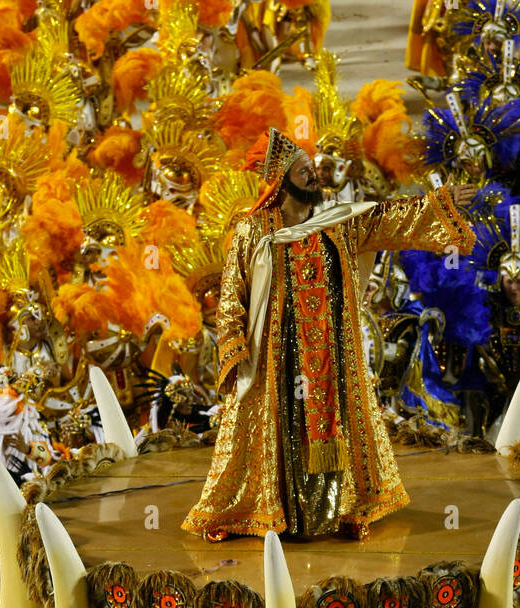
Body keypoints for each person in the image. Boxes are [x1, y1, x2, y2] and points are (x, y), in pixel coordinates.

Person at [182, 128, 475, 542]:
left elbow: (389, 217)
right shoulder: (254, 232)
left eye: (313, 169)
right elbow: (233, 293)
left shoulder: (336, 223)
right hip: (275, 359)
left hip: (330, 357)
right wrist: (232, 347)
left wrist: (436, 203)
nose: (314, 176)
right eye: (304, 171)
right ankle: (263, 510)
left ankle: (339, 509)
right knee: (278, 432)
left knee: (334, 427)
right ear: (283, 180)